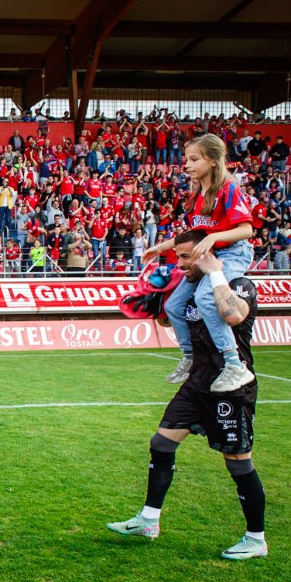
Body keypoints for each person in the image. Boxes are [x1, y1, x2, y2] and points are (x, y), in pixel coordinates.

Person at [107, 229, 267, 561]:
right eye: (176, 257)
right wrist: (156, 298)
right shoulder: (192, 288)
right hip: (198, 383)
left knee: (238, 464)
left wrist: (215, 273)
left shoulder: (237, 285)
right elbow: (170, 320)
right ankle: (149, 520)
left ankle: (256, 539)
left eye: (185, 257)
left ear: (207, 254)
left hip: (231, 388)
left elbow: (233, 315)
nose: (180, 265)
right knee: (162, 443)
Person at [143, 134, 255, 393]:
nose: (187, 165)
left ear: (213, 161)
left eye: (194, 159)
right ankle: (190, 357)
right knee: (173, 304)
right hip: (208, 253)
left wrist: (215, 236)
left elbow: (246, 230)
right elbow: (194, 235)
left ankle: (235, 365)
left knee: (206, 298)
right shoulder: (197, 196)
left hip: (233, 253)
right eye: (186, 159)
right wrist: (161, 247)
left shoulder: (229, 189)